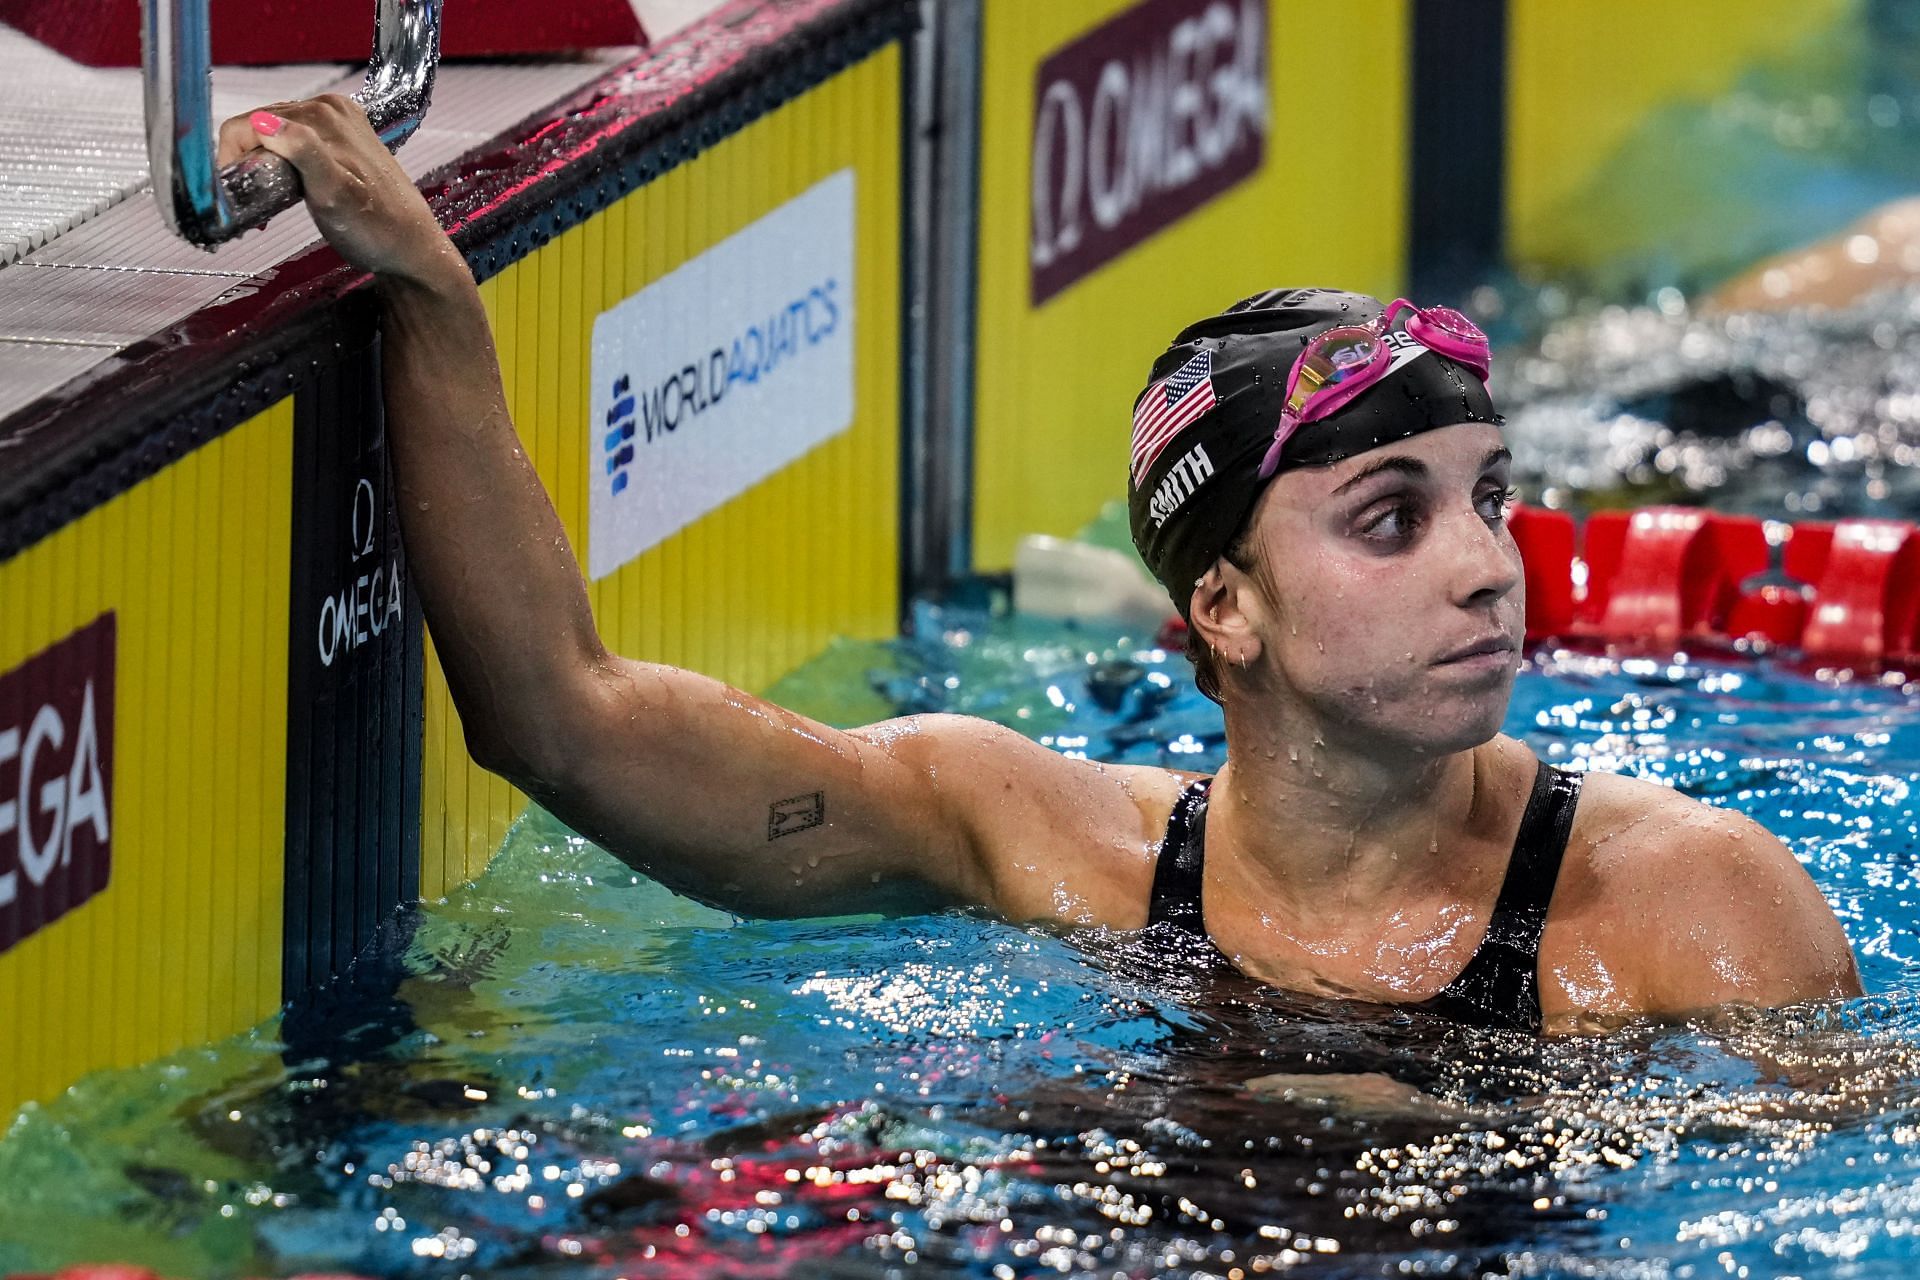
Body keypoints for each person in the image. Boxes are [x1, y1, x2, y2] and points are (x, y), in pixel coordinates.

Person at [220, 96, 1863, 1037]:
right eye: (1391, 515)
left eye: (1490, 496)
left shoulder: (1689, 913)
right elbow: (561, 723)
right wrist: (438, 299)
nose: (1489, 566)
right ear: (1222, 607)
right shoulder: (1031, 842)